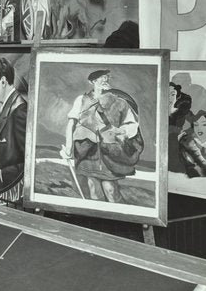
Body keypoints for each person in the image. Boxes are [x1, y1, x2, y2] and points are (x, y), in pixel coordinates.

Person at [62, 69, 144, 203]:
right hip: (86, 149)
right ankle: (97, 216)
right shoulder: (81, 100)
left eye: (107, 77)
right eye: (101, 78)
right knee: (92, 186)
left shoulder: (120, 102)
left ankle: (119, 217)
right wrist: (68, 147)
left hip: (109, 150)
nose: (105, 80)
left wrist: (121, 132)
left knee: (110, 188)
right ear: (92, 82)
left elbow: (132, 124)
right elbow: (71, 124)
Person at [0, 57, 27, 203]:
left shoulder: (19, 111)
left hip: (12, 196)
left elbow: (28, 161)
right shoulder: (7, 108)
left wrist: (2, 173)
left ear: (3, 82)